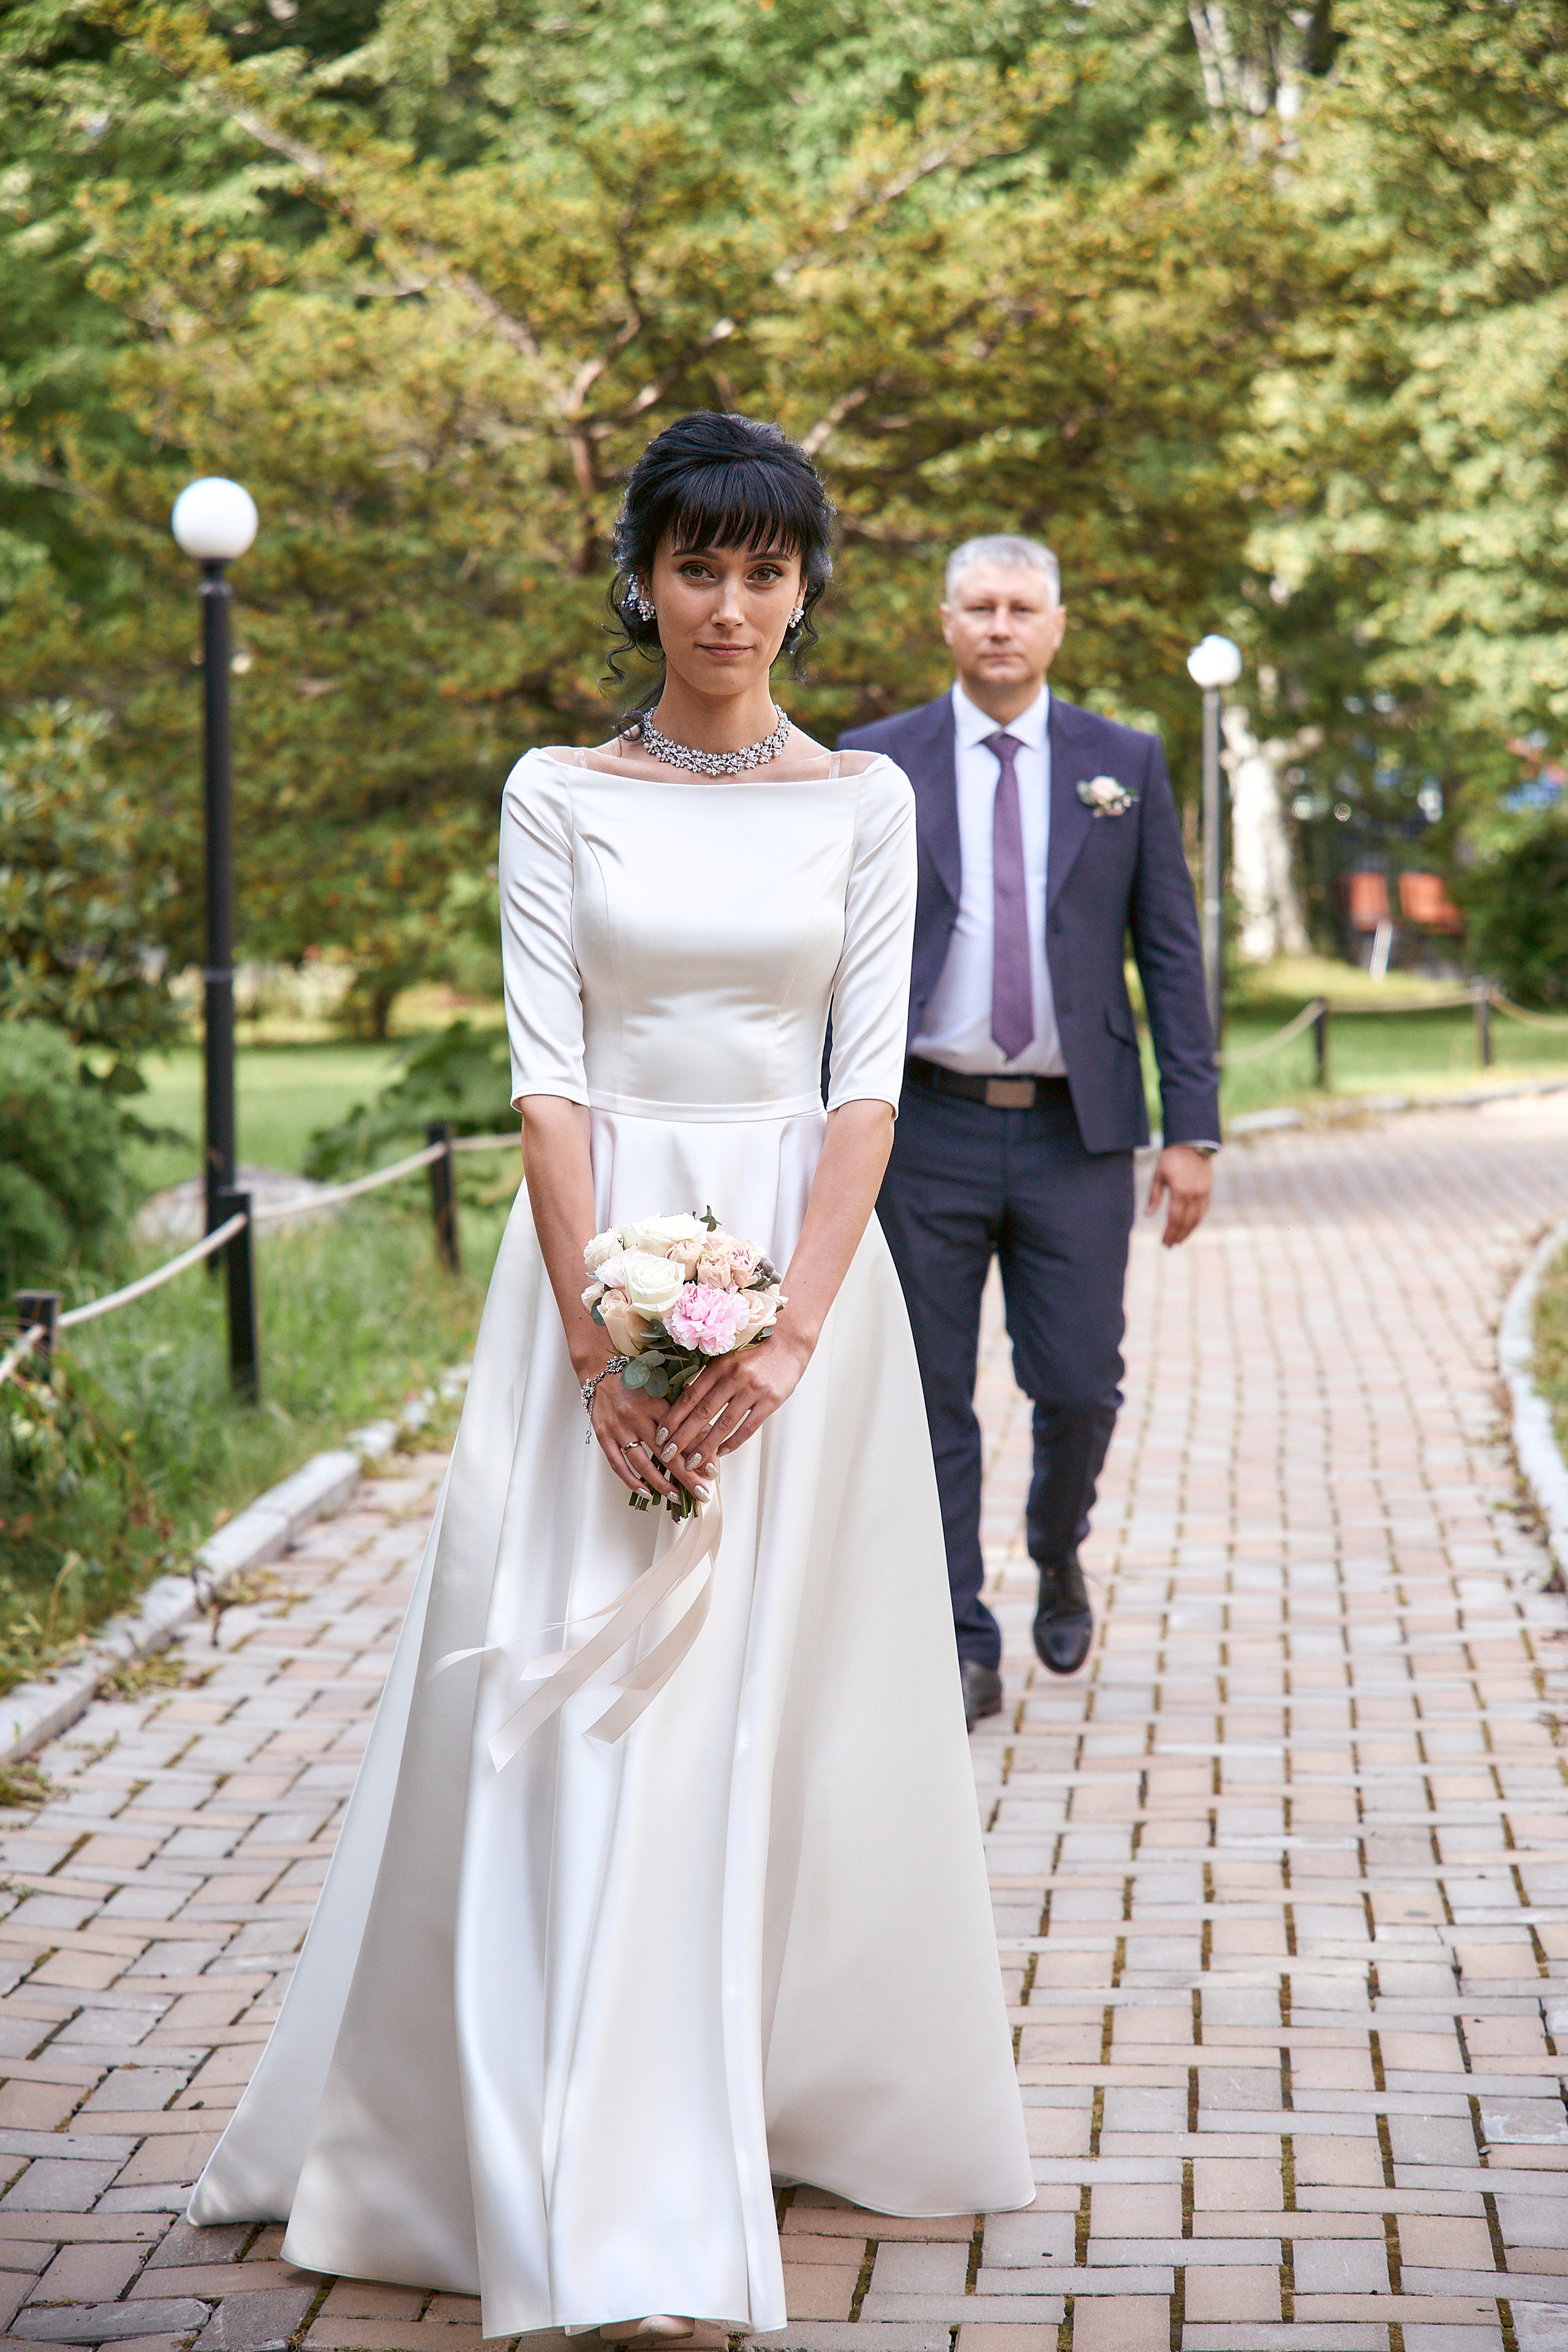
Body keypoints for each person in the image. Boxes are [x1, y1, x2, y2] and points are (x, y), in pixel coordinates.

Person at [187, 417, 1032, 2339]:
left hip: (807, 1287)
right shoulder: (556, 789)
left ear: (810, 589)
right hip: (596, 1261)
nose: (730, 606)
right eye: (695, 567)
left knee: (760, 1707)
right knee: (582, 1703)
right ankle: (577, 2164)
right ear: (641, 576)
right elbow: (546, 1075)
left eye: (766, 571)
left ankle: (738, 2101)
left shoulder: (867, 808)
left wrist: (792, 1331)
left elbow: (867, 1084)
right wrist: (598, 1337)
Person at [841, 535, 1219, 1731]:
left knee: (1077, 1385)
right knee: (927, 1397)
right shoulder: (872, 764)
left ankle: (1056, 1548)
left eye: (1021, 607)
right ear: (942, 622)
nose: (999, 626)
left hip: (1076, 1135)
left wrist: (1190, 1129)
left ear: (1056, 625)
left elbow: (1166, 948)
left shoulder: (1124, 762)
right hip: (923, 1130)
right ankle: (960, 1635)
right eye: (978, 607)